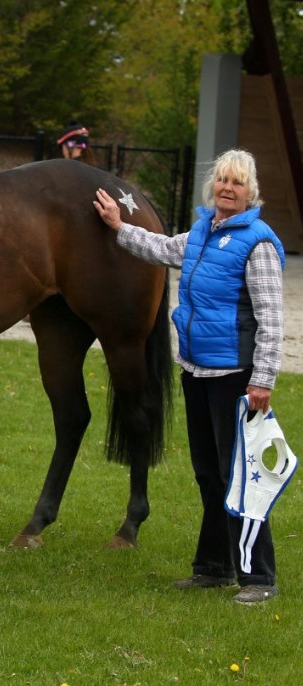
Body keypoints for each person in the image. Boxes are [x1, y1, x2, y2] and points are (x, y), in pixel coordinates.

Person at [93, 148, 285, 605]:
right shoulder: (202, 232)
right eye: (222, 180)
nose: (228, 189)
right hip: (197, 371)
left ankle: (259, 578)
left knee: (239, 476)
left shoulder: (257, 242)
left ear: (251, 192)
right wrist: (118, 225)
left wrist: (262, 379)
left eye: (237, 183)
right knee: (208, 474)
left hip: (235, 376)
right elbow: (160, 248)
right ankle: (213, 568)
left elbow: (272, 320)